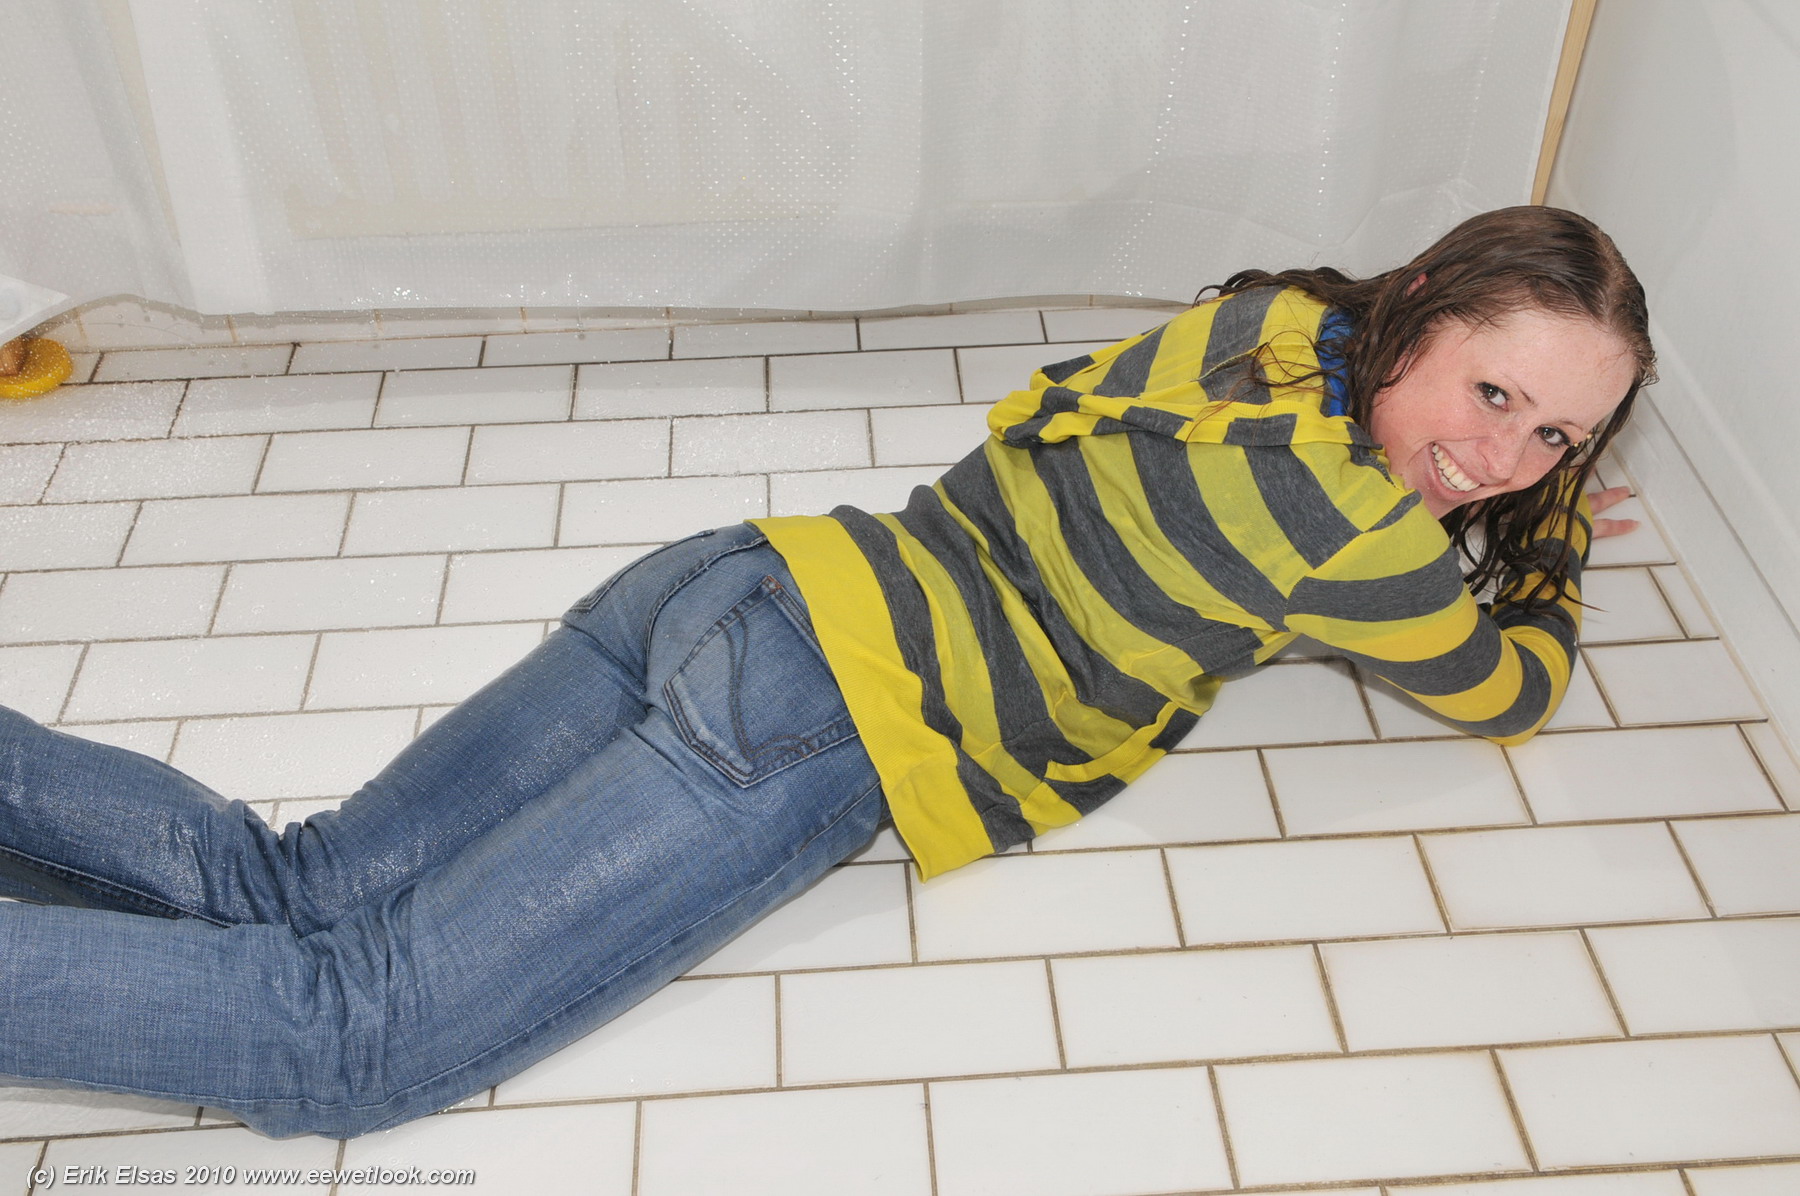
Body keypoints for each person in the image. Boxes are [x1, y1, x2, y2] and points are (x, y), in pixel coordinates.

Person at [0, 205, 1654, 1138]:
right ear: (1423, 305)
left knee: (294, 883)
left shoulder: (1272, 325)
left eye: (1559, 440)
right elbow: (1508, 691)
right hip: (816, 726)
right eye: (1496, 396)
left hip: (745, 581)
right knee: (351, 1039)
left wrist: (1483, 479)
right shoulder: (1357, 538)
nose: (1504, 458)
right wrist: (1557, 543)